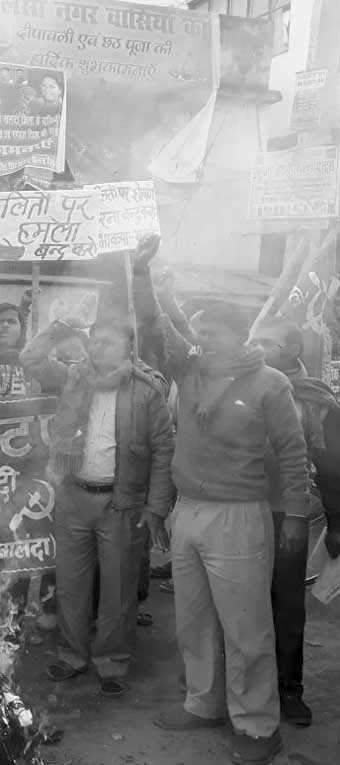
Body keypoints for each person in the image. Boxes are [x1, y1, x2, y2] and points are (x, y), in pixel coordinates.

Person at [134, 238, 306, 765]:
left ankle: (257, 726)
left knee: (247, 626)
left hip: (239, 516)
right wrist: (140, 274)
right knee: (194, 619)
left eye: (213, 331)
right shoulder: (189, 373)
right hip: (190, 512)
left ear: (238, 334)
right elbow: (158, 329)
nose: (203, 339)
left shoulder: (269, 384)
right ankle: (203, 703)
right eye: (201, 331)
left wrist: (297, 514)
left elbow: (294, 454)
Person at [21, 312, 173, 697]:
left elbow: (163, 452)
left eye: (108, 341)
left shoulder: (147, 390)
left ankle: (112, 662)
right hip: (73, 497)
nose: (97, 347)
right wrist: (58, 329)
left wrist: (155, 510)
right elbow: (31, 360)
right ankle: (73, 655)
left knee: (118, 590)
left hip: (121, 504)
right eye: (94, 340)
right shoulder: (75, 376)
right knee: (71, 586)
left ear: (129, 347)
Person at [251, 315, 340, 726]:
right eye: (258, 339)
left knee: (287, 605)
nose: (261, 347)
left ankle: (289, 689)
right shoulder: (240, 383)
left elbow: (332, 468)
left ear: (294, 350)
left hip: (290, 514)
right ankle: (239, 683)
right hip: (240, 511)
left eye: (272, 341)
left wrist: (336, 522)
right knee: (238, 602)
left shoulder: (316, 401)